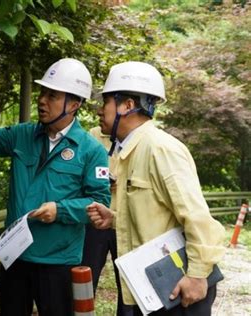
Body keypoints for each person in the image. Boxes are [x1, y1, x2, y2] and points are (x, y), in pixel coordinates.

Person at [0, 58, 111, 316]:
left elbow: (99, 204)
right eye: (42, 93)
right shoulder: (23, 135)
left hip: (58, 262)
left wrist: (59, 210)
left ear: (74, 104)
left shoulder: (91, 150)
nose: (42, 100)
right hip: (15, 256)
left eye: (52, 95)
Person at [87, 61, 225, 315]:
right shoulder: (131, 150)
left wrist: (196, 275)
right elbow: (155, 216)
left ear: (127, 106)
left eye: (105, 101)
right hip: (152, 287)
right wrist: (115, 220)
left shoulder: (160, 149)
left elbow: (197, 217)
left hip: (179, 289)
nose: (99, 110)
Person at [81, 126, 132, 316]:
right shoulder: (94, 135)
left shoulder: (140, 140)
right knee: (86, 275)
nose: (102, 112)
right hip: (96, 219)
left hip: (125, 221)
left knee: (128, 283)